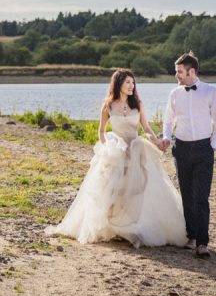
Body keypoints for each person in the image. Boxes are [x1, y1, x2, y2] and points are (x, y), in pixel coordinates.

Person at [45, 69, 187, 247]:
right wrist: (106, 149)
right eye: (128, 82)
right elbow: (101, 131)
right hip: (116, 151)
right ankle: (113, 227)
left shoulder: (138, 103)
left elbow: (147, 128)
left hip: (136, 149)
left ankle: (132, 228)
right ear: (118, 83)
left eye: (133, 82)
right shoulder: (108, 105)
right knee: (114, 190)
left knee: (137, 189)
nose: (131, 86)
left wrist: (157, 141)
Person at [160, 51, 216, 259]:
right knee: (187, 195)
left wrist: (212, 145)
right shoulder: (174, 94)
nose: (176, 75)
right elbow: (168, 120)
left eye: (179, 72)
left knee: (201, 197)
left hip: (204, 149)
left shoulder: (210, 92)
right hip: (182, 149)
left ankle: (203, 242)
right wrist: (167, 137)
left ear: (192, 71)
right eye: (176, 71)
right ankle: (191, 237)